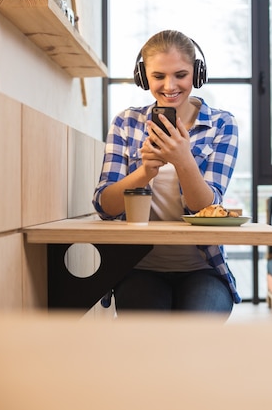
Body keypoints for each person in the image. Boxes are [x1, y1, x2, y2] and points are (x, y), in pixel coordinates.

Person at [92, 30, 240, 318]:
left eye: (180, 75)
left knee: (193, 341)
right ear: (143, 77)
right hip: (139, 267)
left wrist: (183, 161)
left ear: (197, 74)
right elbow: (105, 207)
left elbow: (208, 210)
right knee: (149, 344)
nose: (169, 86)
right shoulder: (126, 122)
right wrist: (145, 172)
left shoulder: (222, 125)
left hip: (203, 268)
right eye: (158, 76)